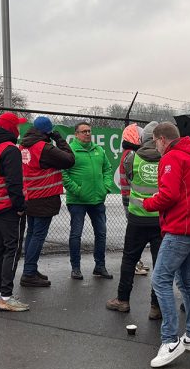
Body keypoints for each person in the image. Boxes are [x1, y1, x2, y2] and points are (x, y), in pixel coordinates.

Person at [142, 122, 190, 368]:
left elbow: (168, 195)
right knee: (186, 281)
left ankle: (170, 340)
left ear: (161, 139)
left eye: (155, 142)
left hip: (179, 229)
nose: (155, 147)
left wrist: (148, 203)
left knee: (160, 279)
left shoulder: (172, 159)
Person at [106, 121, 163, 319]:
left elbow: (128, 183)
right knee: (159, 264)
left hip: (137, 218)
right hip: (160, 219)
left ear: (143, 139)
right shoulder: (167, 159)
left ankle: (123, 300)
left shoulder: (131, 158)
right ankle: (156, 307)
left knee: (129, 260)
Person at [19, 116, 76, 288]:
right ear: (48, 132)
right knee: (38, 235)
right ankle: (28, 272)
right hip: (44, 197)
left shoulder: (24, 146)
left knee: (31, 233)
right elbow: (69, 160)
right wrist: (59, 139)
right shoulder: (44, 148)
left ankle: (30, 268)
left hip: (30, 196)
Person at [0, 112, 29, 312]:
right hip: (9, 208)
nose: (19, 130)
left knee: (0, 248)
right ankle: (6, 297)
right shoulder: (10, 150)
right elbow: (14, 183)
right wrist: (19, 207)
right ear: (11, 128)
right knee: (12, 248)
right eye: (17, 126)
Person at [64, 121, 118, 280]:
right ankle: (75, 268)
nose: (87, 134)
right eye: (84, 131)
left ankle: (100, 266)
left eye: (89, 131)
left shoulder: (99, 150)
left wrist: (106, 187)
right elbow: (63, 174)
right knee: (76, 234)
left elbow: (107, 169)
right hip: (77, 201)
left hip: (97, 200)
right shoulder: (70, 151)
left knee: (101, 233)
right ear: (76, 134)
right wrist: (77, 190)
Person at [118, 122, 151, 277]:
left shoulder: (128, 153)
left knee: (134, 234)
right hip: (130, 197)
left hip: (127, 196)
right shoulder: (131, 155)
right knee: (135, 235)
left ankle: (136, 262)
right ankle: (136, 264)